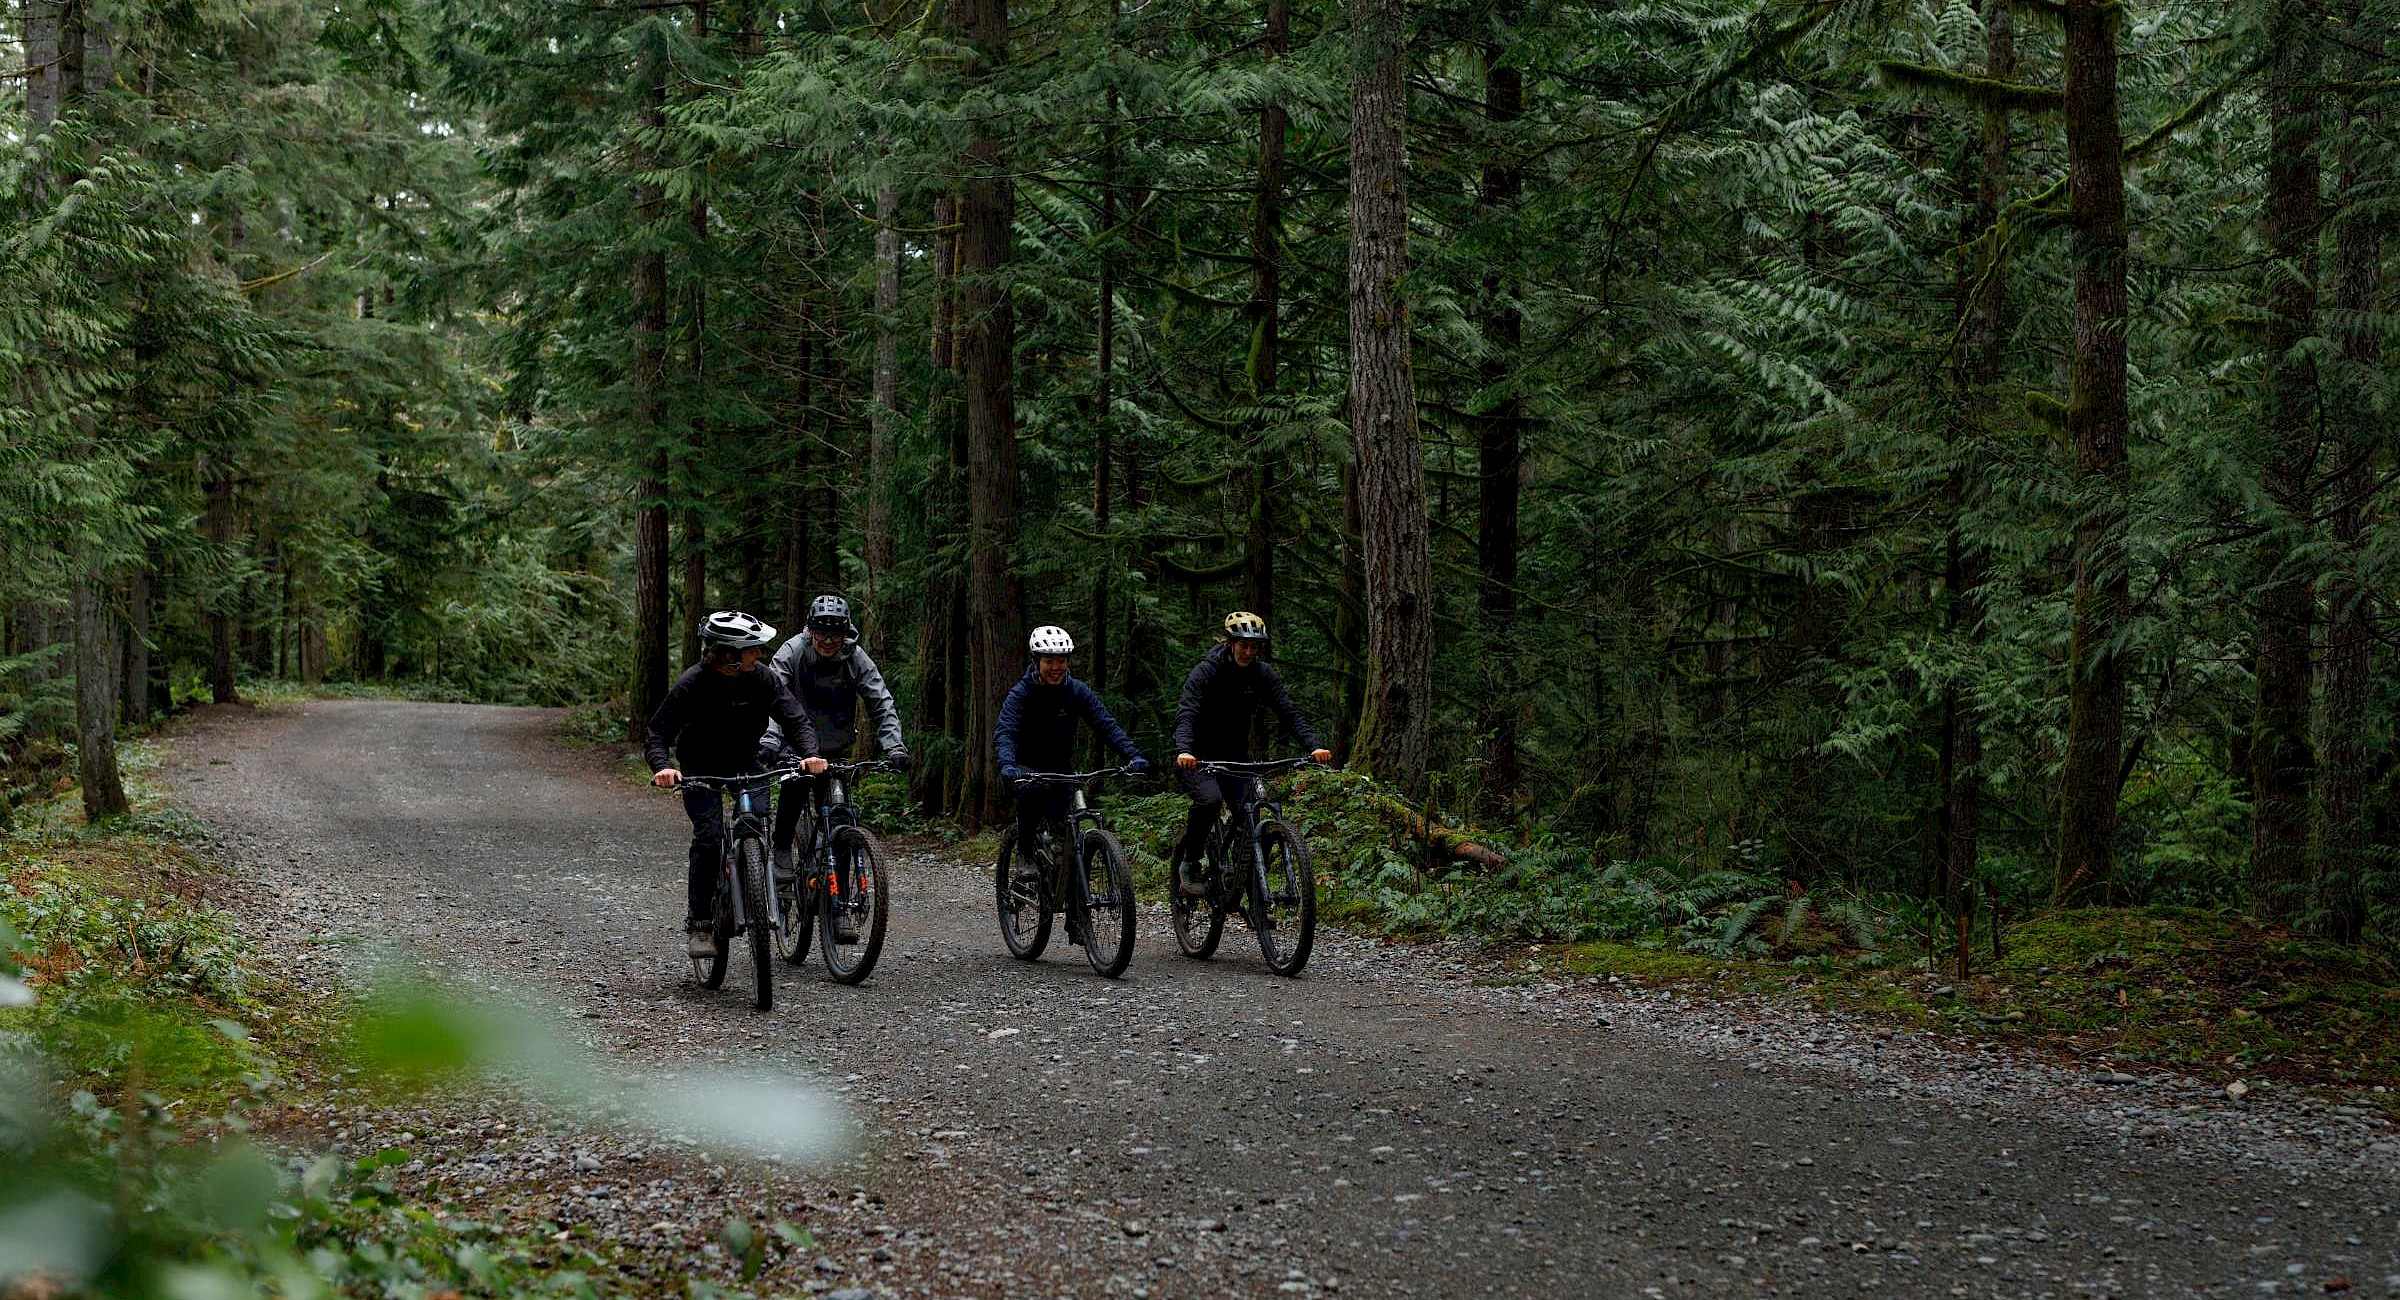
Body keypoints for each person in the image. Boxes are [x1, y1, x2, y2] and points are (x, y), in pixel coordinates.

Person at [646, 610, 828, 959]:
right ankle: (700, 923)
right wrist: (663, 767)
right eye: (752, 650)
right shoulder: (692, 683)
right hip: (700, 767)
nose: (759, 655)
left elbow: (795, 717)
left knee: (756, 823)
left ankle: (754, 886)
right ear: (729, 655)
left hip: (746, 762)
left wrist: (810, 753)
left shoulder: (762, 679)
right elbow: (658, 733)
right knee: (710, 837)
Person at [759, 594, 908, 942]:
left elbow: (880, 700)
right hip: (795, 744)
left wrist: (894, 747)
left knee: (841, 820)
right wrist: (771, 740)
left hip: (836, 745)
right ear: (810, 628)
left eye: (836, 633)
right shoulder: (792, 652)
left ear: (846, 632)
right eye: (822, 632)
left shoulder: (855, 658)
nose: (828, 640)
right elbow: (773, 696)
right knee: (795, 792)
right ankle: (782, 848)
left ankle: (841, 907)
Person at [1169, 611, 1333, 896]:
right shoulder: (1207, 671)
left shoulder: (1261, 673)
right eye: (1243, 645)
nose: (1248, 652)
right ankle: (1191, 863)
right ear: (1230, 643)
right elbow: (1187, 713)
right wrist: (1184, 750)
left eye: (1254, 646)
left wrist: (1313, 745)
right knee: (1209, 801)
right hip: (1198, 758)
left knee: (1256, 813)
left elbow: (1287, 711)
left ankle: (1255, 894)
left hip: (1236, 759)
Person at [993, 625, 1152, 872]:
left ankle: (1071, 891)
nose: (1056, 667)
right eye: (1049, 661)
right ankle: (1025, 853)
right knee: (1031, 796)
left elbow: (1106, 725)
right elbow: (1006, 732)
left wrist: (1133, 755)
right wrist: (1007, 764)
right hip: (1024, 768)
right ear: (1036, 662)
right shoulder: (1021, 694)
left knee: (1063, 828)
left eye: (1062, 661)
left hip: (1061, 768)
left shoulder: (1076, 691)